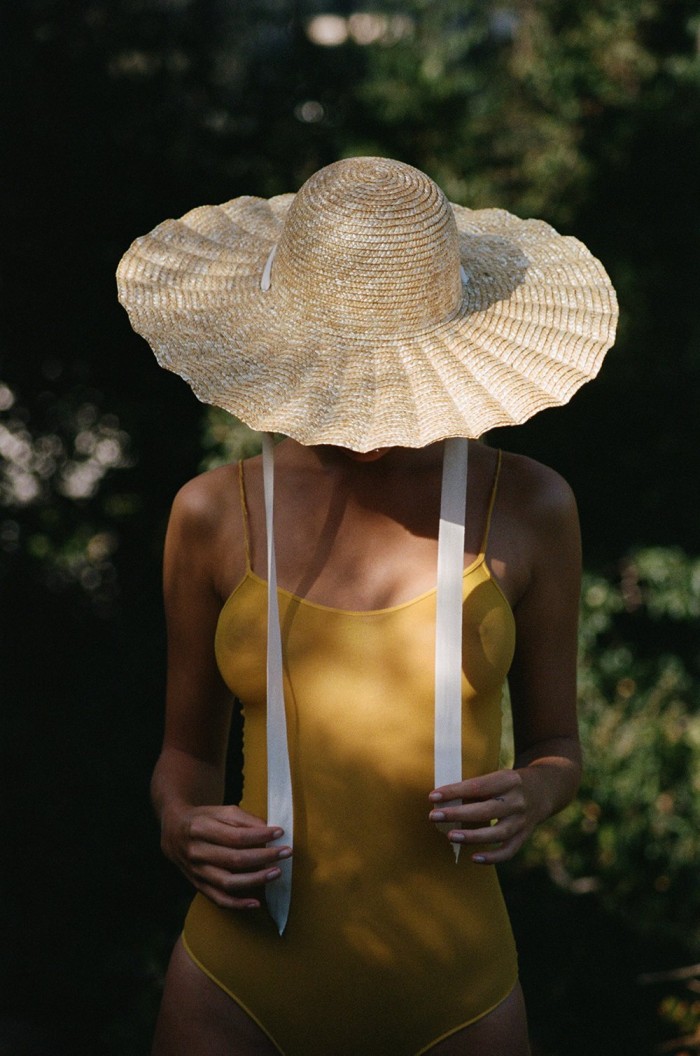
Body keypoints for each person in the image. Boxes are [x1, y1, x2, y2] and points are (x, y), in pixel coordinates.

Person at [117, 156, 618, 1056]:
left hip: (456, 997)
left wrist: (535, 794)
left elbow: (560, 747)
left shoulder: (532, 508)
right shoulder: (210, 513)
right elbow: (184, 756)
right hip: (235, 989)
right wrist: (180, 825)